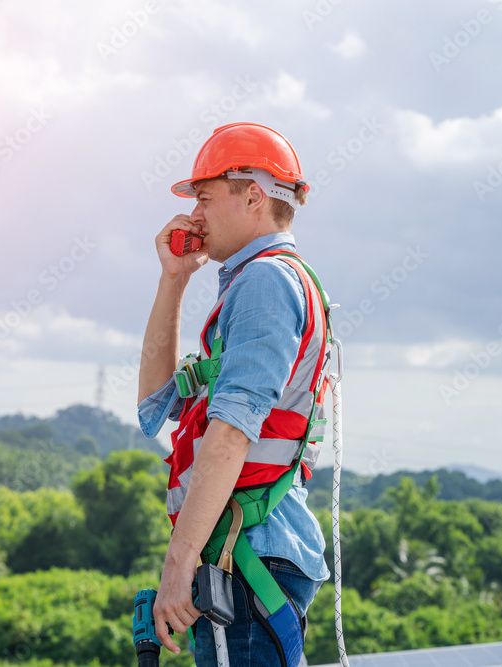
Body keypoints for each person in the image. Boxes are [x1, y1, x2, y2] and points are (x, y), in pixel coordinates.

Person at [136, 122, 333, 666]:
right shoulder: (267, 282)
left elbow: (229, 435)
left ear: (253, 197)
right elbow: (155, 408)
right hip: (248, 554)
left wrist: (181, 562)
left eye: (203, 197)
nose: (194, 215)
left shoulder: (265, 282)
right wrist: (173, 279)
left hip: (244, 559)